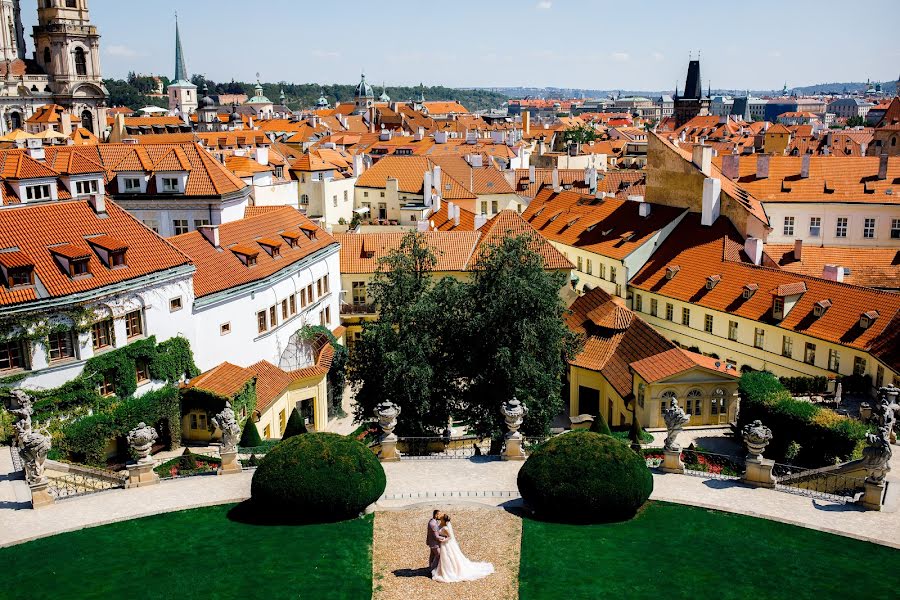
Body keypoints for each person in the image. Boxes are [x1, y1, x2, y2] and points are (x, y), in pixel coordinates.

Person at [431, 513, 494, 583]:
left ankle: (450, 571)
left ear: (443, 520)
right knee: (445, 558)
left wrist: (443, 540)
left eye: (441, 517)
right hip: (443, 545)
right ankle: (443, 570)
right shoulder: (440, 525)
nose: (440, 518)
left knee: (448, 557)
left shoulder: (445, 528)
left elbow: (450, 537)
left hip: (446, 544)